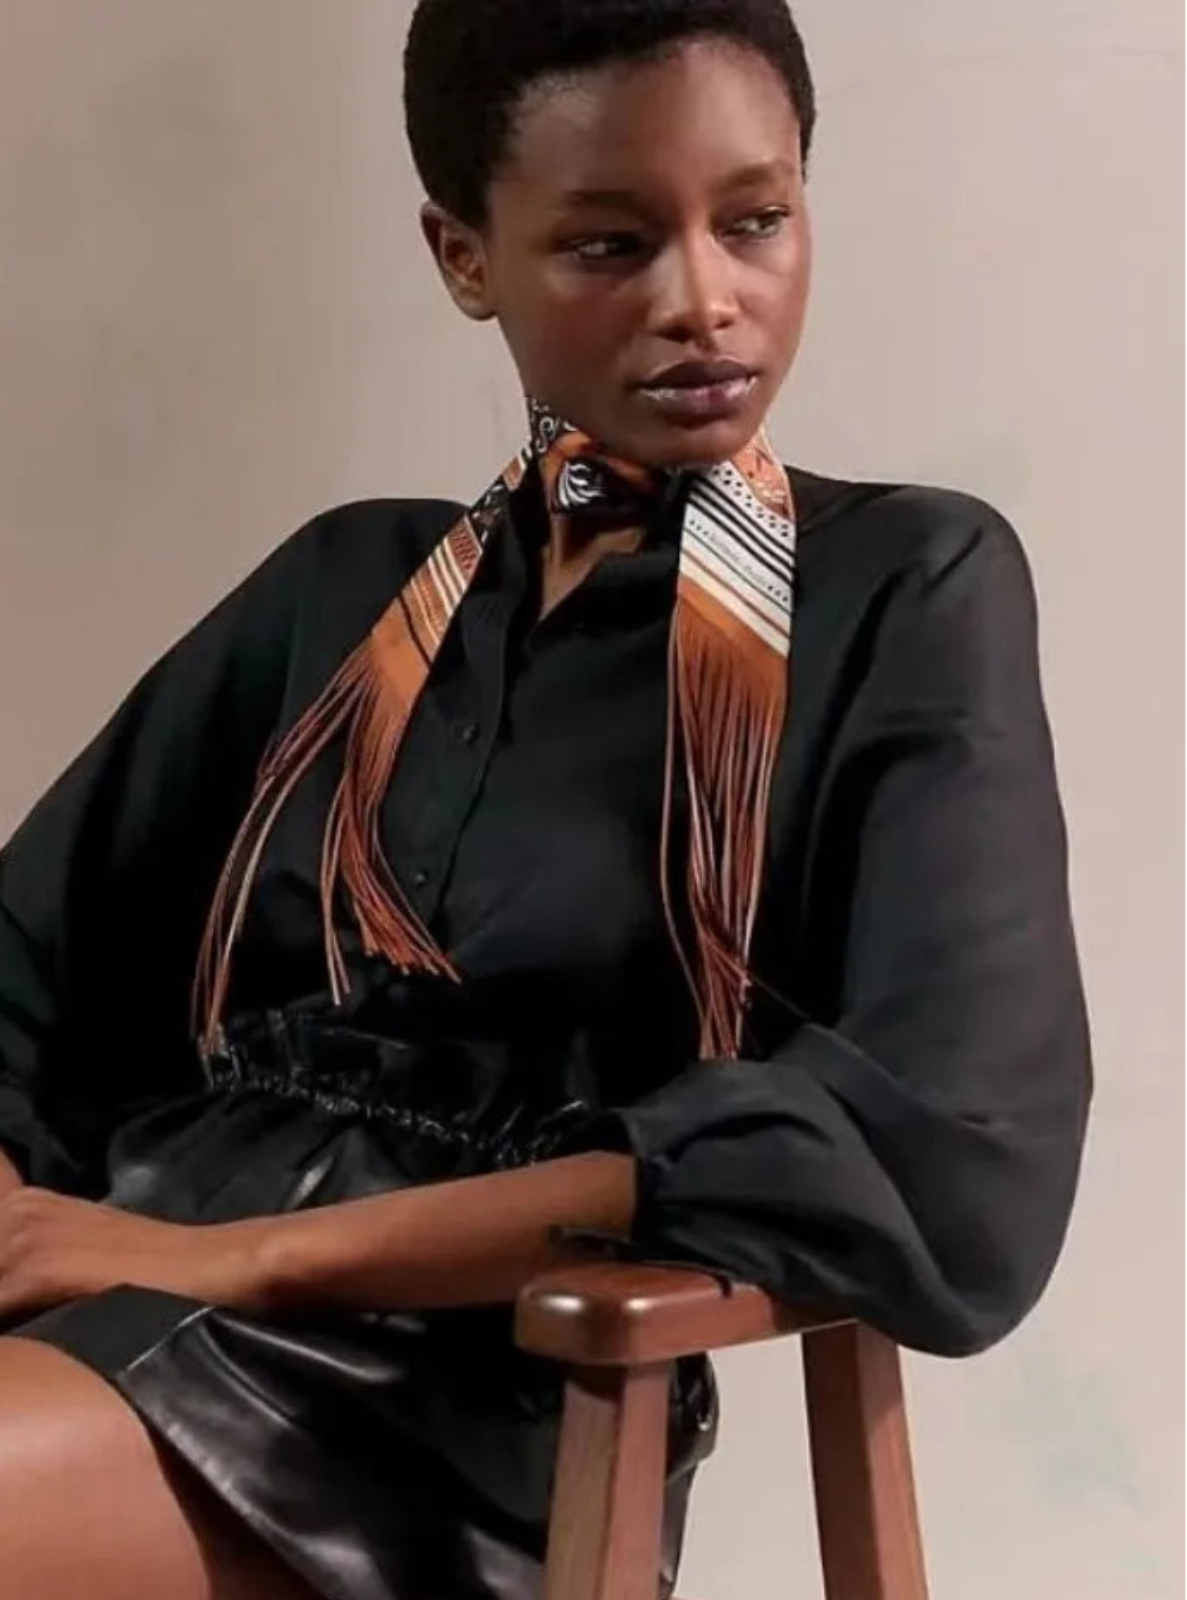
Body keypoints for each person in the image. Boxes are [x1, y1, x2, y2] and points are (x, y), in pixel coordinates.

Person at [0, 2, 1092, 1597]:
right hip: (128, 1279)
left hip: (467, 1389)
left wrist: (235, 1261)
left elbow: (938, 1146)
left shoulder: (902, 588)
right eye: (607, 245)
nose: (703, 302)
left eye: (756, 220)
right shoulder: (342, 588)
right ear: (463, 255)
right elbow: (30, 965)